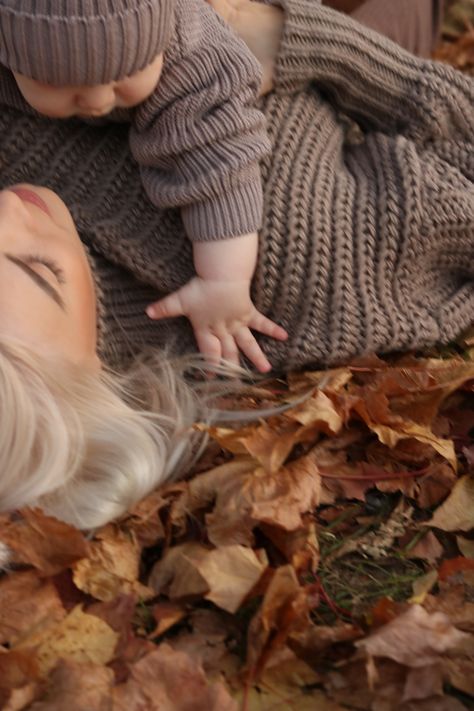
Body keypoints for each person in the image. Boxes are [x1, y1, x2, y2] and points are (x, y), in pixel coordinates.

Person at [0, 0, 472, 530]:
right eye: (40, 270)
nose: (8, 213)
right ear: (94, 390)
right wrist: (301, 38)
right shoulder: (311, 262)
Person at [0, 0, 288, 373]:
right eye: (53, 82)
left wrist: (224, 280)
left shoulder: (189, 57)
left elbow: (221, 161)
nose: (99, 100)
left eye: (129, 73)